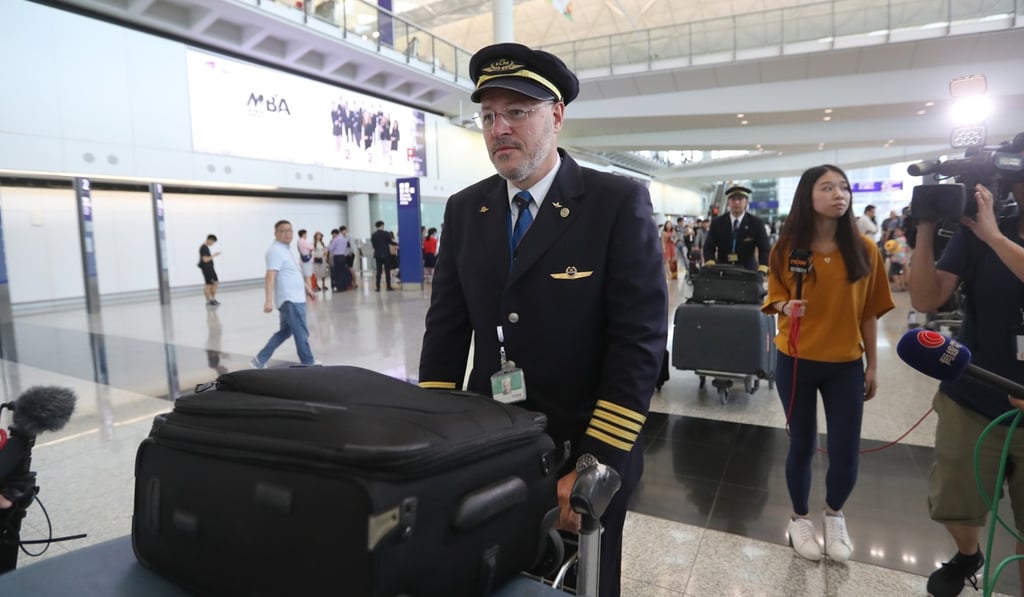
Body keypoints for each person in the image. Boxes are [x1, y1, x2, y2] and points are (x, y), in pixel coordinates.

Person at [417, 42, 668, 597]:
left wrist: (595, 461)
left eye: (517, 112)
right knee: (491, 571)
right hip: (491, 444)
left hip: (583, 443)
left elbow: (639, 341)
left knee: (584, 580)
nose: (499, 127)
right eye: (488, 116)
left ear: (556, 116)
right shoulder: (466, 208)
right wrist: (432, 431)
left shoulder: (614, 202)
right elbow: (447, 330)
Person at [762, 164, 894, 563]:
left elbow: (869, 313)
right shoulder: (786, 248)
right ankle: (799, 518)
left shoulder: (865, 250)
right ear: (808, 196)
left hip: (845, 365)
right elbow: (773, 297)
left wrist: (872, 365)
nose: (840, 194)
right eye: (828, 187)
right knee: (801, 444)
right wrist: (788, 305)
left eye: (844, 188)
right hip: (796, 360)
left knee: (845, 449)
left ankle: (834, 514)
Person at [909, 179, 1024, 597]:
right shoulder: (981, 227)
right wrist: (924, 226)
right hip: (973, 396)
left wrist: (994, 237)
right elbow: (926, 298)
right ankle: (967, 554)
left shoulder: (990, 231)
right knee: (955, 501)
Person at [250, 220, 319, 369]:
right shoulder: (275, 250)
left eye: (289, 231)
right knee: (301, 332)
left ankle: (260, 360)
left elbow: (293, 272)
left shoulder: (286, 249)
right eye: (282, 231)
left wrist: (307, 288)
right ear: (276, 233)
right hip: (290, 299)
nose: (287, 234)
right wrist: (268, 301)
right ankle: (308, 363)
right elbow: (270, 276)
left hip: (294, 297)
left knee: (285, 332)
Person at [703, 185, 771, 276]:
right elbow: (708, 247)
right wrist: (711, 264)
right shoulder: (717, 223)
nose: (736, 202)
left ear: (746, 201)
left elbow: (765, 249)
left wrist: (762, 268)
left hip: (748, 273)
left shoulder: (756, 223)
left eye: (740, 199)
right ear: (728, 202)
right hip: (722, 273)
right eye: (733, 199)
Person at [371, 221, 394, 291]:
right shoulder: (385, 233)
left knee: (379, 271)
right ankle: (388, 286)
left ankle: (378, 287)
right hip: (386, 254)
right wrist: (396, 244)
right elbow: (390, 242)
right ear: (382, 225)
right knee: (387, 271)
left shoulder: (373, 235)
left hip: (378, 254)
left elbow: (374, 245)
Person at [198, 234, 221, 306]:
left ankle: (212, 299)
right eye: (213, 242)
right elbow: (205, 260)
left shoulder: (205, 247)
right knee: (208, 285)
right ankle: (209, 301)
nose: (212, 244)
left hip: (210, 268)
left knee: (215, 283)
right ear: (209, 240)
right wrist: (214, 255)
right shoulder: (203, 248)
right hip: (207, 269)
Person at [328, 227, 352, 291]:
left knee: (338, 273)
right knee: (343, 272)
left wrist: (330, 244)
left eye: (333, 234)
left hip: (337, 257)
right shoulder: (344, 239)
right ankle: (344, 286)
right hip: (343, 257)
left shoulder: (335, 239)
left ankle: (339, 287)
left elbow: (330, 248)